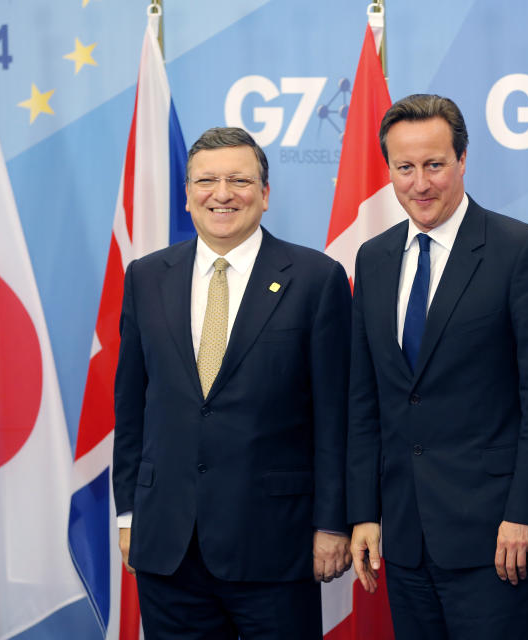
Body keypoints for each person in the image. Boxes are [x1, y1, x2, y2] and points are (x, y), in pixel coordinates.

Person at [112, 127, 351, 639]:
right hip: (168, 546)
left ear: (265, 195)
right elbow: (131, 407)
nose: (222, 194)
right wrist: (128, 515)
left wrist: (332, 524)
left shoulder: (315, 278)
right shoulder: (146, 277)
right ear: (188, 194)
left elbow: (336, 416)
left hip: (275, 546)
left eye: (240, 180)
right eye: (207, 181)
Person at [346, 94, 528, 639]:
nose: (420, 183)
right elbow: (365, 398)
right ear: (390, 170)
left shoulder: (522, 251)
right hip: (403, 537)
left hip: (498, 537)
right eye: (405, 168)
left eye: (434, 165)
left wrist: (526, 513)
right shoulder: (372, 259)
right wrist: (365, 512)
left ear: (462, 161)